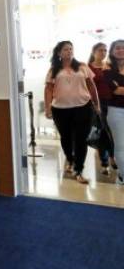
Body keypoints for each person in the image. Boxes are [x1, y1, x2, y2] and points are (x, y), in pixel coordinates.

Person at [44, 41, 101, 184]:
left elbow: (91, 85)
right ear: (59, 53)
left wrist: (96, 104)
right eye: (65, 49)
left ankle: (79, 170)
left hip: (83, 107)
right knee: (66, 137)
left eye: (71, 49)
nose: (69, 51)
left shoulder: (82, 66)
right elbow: (48, 89)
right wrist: (47, 107)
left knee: (82, 139)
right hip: (60, 109)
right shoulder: (53, 69)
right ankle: (70, 158)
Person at [88, 42, 117, 174]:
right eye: (100, 50)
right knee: (102, 133)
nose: (103, 53)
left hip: (112, 103)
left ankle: (110, 158)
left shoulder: (110, 67)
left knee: (110, 132)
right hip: (96, 105)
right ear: (94, 52)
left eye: (105, 50)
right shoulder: (88, 68)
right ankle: (106, 160)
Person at [106, 39, 124, 185]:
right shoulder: (108, 70)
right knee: (120, 145)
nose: (120, 50)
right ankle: (123, 175)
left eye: (123, 48)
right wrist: (118, 89)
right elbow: (116, 90)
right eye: (117, 48)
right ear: (112, 51)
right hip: (116, 111)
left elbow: (120, 89)